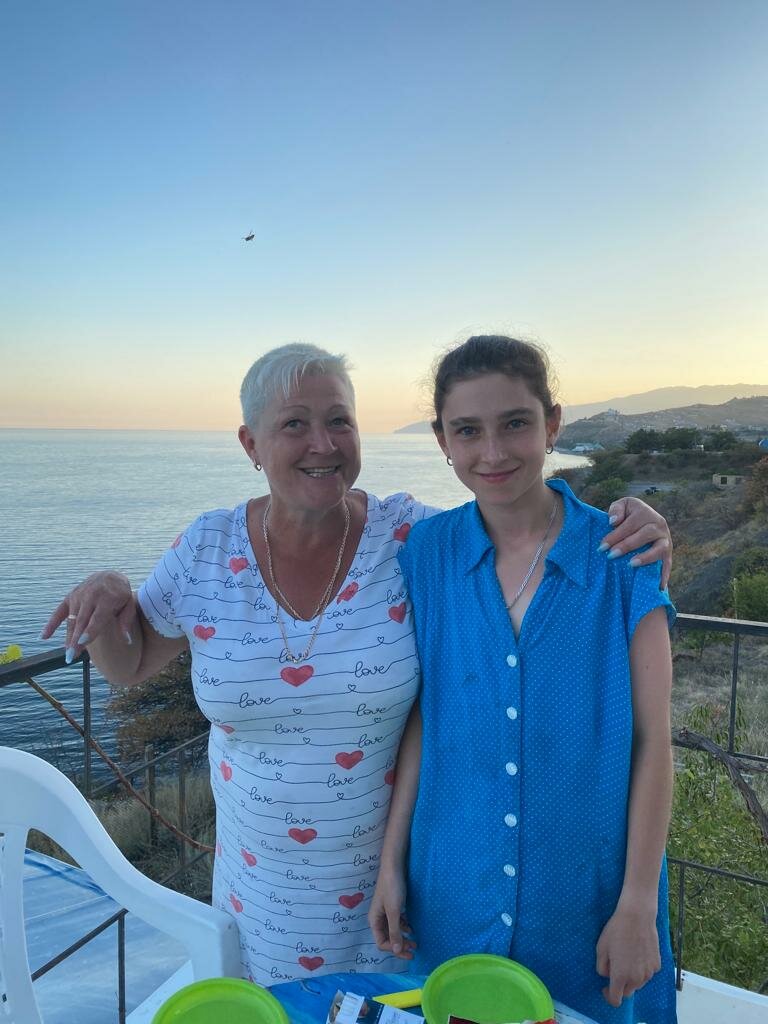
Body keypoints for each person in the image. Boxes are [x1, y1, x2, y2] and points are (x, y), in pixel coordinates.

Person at [42, 342, 672, 989]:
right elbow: (130, 663)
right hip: (262, 892)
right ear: (251, 443)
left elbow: (516, 526)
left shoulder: (405, 537)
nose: (322, 443)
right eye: (294, 423)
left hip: (402, 892)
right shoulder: (207, 548)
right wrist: (107, 592)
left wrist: (639, 527)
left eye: (338, 420)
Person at [369, 336, 676, 1024]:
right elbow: (424, 720)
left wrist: (637, 904)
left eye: (514, 423)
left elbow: (654, 743)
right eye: (467, 431)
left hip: (588, 904)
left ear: (552, 424)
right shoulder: (426, 554)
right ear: (442, 441)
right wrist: (391, 863)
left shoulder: (623, 558)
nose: (493, 452)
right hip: (452, 894)